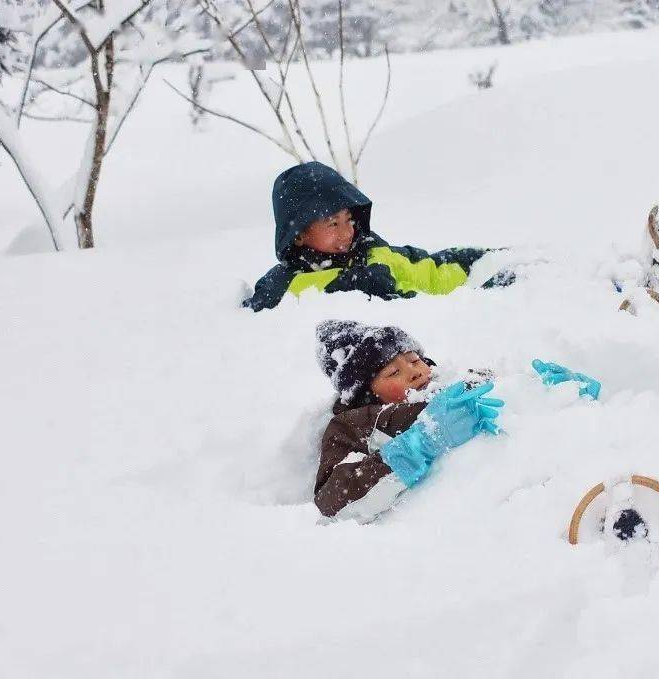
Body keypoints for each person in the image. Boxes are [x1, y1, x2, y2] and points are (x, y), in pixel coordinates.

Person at [312, 320, 601, 521]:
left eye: (414, 360)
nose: (414, 372)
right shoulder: (355, 424)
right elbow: (333, 501)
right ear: (367, 393)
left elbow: (515, 405)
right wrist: (420, 444)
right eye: (392, 373)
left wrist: (555, 391)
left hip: (546, 489)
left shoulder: (465, 383)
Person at [242, 162, 511, 311]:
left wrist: (473, 260)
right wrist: (353, 284)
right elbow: (263, 305)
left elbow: (427, 270)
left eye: (348, 219)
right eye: (333, 223)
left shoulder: (371, 252)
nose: (347, 231)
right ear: (298, 234)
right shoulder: (285, 283)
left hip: (447, 316)